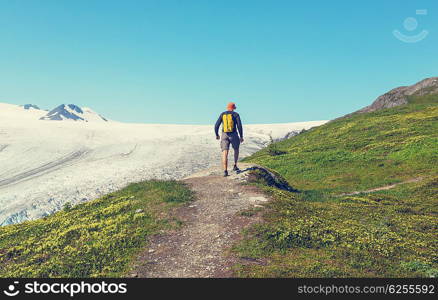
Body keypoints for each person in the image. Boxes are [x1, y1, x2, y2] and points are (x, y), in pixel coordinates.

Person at [214, 102, 244, 177]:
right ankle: (235, 165)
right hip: (233, 134)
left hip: (224, 134)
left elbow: (216, 125)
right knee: (236, 149)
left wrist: (217, 134)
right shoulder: (236, 114)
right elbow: (239, 126)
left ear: (227, 107)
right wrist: (241, 136)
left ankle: (225, 171)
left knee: (225, 152)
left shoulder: (222, 114)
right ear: (233, 108)